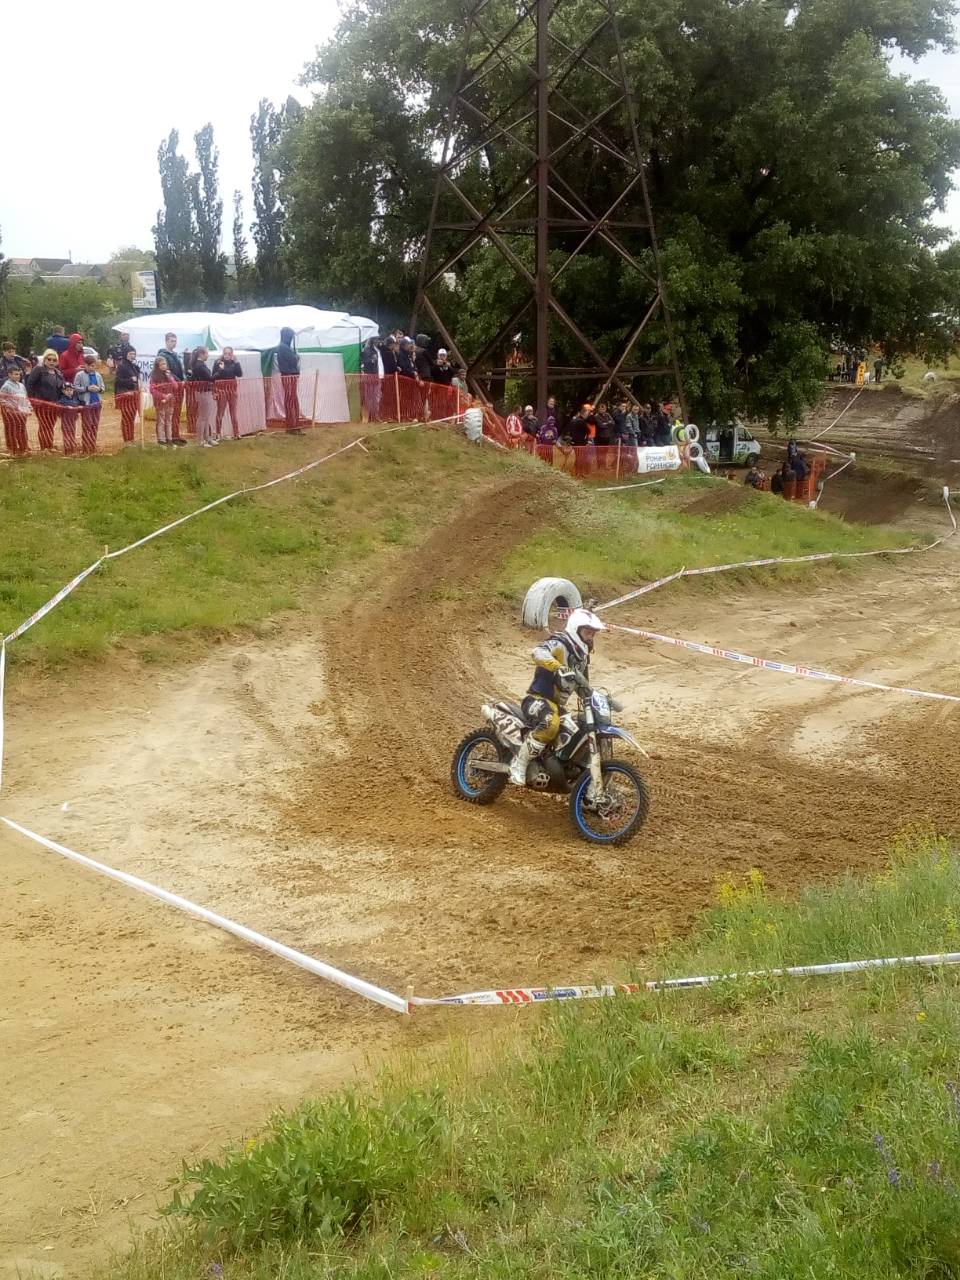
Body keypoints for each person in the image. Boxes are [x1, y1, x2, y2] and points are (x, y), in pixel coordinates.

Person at [510, 608, 606, 785]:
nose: (591, 637)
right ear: (576, 630)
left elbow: (583, 686)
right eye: (587, 632)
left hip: (556, 706)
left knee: (576, 729)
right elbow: (537, 652)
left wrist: (603, 700)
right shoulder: (559, 643)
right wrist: (558, 667)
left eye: (593, 633)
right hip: (537, 699)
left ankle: (557, 767)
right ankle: (519, 764)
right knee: (550, 723)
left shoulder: (582, 657)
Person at [26, 349, 65, 450]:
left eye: (54, 360)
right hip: (41, 404)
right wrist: (33, 400)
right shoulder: (38, 370)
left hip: (54, 404)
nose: (51, 362)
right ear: (44, 360)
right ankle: (44, 447)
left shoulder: (58, 373)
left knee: (50, 425)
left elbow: (61, 390)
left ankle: (49, 445)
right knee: (44, 425)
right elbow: (29, 385)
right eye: (49, 359)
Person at [157, 332, 187, 445]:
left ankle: (175, 434)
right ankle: (167, 436)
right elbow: (167, 371)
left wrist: (183, 380)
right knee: (169, 413)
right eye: (172, 341)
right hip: (170, 387)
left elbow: (180, 370)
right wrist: (178, 381)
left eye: (175, 341)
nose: (174, 343)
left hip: (178, 386)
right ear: (166, 341)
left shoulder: (175, 354)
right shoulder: (163, 355)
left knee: (177, 412)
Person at [73, 354, 105, 453]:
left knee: (95, 425)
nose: (91, 368)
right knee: (87, 426)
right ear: (85, 365)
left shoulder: (98, 375)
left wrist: (98, 389)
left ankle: (92, 445)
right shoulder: (79, 375)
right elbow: (75, 388)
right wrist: (87, 388)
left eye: (93, 366)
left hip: (97, 403)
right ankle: (86, 447)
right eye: (89, 365)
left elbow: (103, 388)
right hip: (86, 404)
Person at [275, 326, 302, 433]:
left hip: (290, 375)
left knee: (292, 399)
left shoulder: (284, 347)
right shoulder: (283, 348)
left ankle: (294, 424)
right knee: (290, 400)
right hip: (288, 376)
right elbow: (293, 360)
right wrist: (296, 356)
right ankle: (292, 426)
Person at [213, 346, 242, 439]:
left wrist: (237, 362)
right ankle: (218, 433)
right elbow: (213, 377)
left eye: (229, 354)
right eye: (225, 353)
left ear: (232, 354)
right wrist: (214, 391)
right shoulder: (218, 362)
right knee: (220, 412)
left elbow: (239, 374)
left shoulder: (234, 363)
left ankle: (236, 433)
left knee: (233, 412)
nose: (227, 355)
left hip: (232, 390)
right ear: (223, 354)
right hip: (221, 390)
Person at [0, 362, 30, 455]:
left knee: (22, 429)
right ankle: (13, 448)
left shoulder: (21, 385)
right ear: (9, 375)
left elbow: (26, 398)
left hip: (22, 412)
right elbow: (2, 399)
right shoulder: (6, 386)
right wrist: (12, 407)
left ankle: (23, 447)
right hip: (12, 413)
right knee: (12, 430)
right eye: (15, 374)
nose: (18, 376)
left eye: (19, 374)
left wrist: (28, 407)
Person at [114, 348, 141, 446]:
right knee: (126, 418)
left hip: (133, 396)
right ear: (126, 354)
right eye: (130, 354)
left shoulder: (135, 367)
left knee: (132, 417)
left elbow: (137, 381)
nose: (132, 356)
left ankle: (131, 438)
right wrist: (130, 380)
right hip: (125, 396)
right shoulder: (121, 366)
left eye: (134, 354)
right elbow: (118, 381)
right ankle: (127, 441)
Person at [190, 346, 216, 446]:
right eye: (207, 353)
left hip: (206, 391)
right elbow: (210, 377)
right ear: (201, 354)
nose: (208, 355)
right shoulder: (199, 366)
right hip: (202, 392)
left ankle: (207, 437)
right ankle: (200, 440)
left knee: (206, 416)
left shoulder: (201, 364)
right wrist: (220, 371)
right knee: (202, 417)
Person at [150, 355, 177, 446]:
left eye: (165, 364)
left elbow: (175, 386)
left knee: (168, 420)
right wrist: (163, 395)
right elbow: (152, 390)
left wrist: (170, 377)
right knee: (161, 420)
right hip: (160, 401)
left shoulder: (169, 374)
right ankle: (161, 440)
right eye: (161, 364)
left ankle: (169, 438)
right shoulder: (154, 376)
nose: (164, 366)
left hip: (170, 401)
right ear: (157, 366)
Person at [360, 336, 381, 423]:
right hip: (369, 377)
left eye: (378, 339)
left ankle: (375, 416)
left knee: (376, 397)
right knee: (369, 397)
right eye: (376, 339)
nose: (378, 341)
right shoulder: (367, 350)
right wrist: (372, 359)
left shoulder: (376, 350)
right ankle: (367, 417)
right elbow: (365, 363)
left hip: (376, 376)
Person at [57, 380, 81, 453]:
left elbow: (78, 407)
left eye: (71, 390)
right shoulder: (62, 400)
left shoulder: (75, 399)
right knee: (66, 433)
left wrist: (79, 408)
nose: (69, 392)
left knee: (72, 432)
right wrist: (65, 408)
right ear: (63, 391)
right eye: (67, 390)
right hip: (65, 421)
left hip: (73, 420)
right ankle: (67, 448)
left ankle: (72, 446)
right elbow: (58, 409)